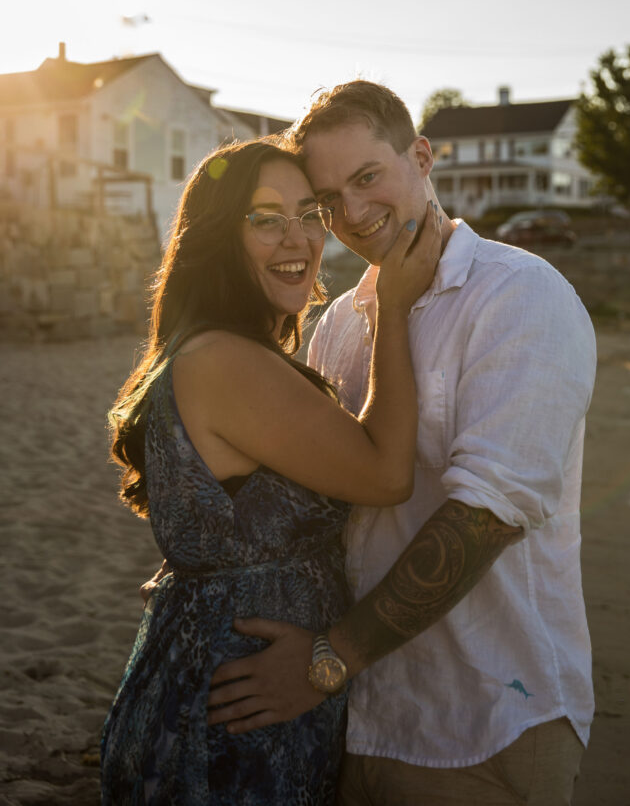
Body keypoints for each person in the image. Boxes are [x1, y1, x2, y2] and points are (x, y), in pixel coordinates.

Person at [207, 82, 598, 806]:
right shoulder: (343, 325)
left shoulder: (519, 296)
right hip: (353, 724)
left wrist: (325, 660)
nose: (352, 215)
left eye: (366, 178)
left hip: (483, 720)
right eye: (329, 200)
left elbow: (484, 517)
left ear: (420, 157)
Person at [100, 138, 440, 805]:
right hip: (236, 718)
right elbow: (384, 475)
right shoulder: (225, 359)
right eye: (264, 217)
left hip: (225, 685)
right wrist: (393, 308)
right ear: (219, 237)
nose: (298, 237)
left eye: (309, 213)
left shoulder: (210, 349)